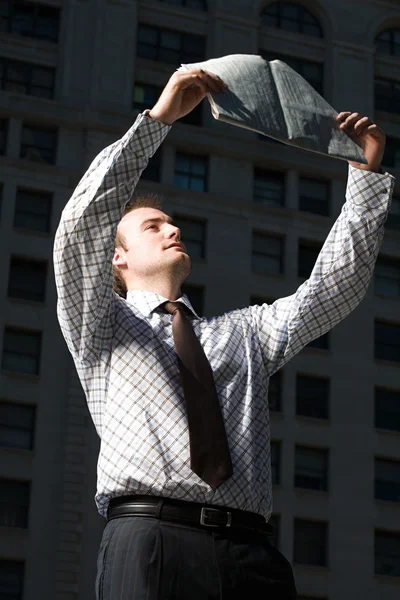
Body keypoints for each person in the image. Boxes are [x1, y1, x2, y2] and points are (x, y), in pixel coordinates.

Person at [53, 67, 394, 600]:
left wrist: (366, 178)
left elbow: (335, 288)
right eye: (152, 226)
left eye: (173, 223)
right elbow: (79, 232)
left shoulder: (244, 334)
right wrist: (158, 121)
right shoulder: (101, 325)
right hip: (150, 542)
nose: (173, 228)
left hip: (253, 557)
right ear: (117, 258)